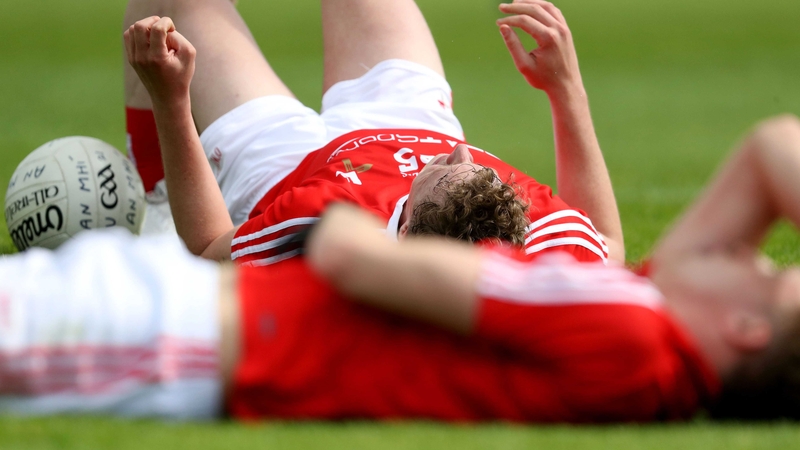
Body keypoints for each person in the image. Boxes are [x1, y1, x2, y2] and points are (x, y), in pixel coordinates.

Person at [2, 115, 800, 421]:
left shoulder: (630, 334)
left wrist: (350, 201)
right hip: (193, 316)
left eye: (770, 273)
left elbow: (357, 262)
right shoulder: (644, 320)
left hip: (182, 339)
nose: (752, 251)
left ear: (744, 326)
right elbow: (774, 148)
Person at [123, 0, 624, 265]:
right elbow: (608, 244)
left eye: (443, 172)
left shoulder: (319, 224)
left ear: (403, 231)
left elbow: (210, 247)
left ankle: (159, 192)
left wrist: (173, 103)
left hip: (287, 163)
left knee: (170, 16)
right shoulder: (530, 231)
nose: (462, 151)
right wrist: (567, 91)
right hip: (409, 116)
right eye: (482, 171)